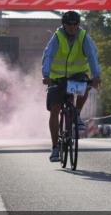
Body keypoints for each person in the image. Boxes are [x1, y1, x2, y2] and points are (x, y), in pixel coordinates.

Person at [42, 11, 102, 162]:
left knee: (85, 86)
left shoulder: (83, 37)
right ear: (64, 24)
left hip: (76, 75)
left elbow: (92, 57)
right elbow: (48, 55)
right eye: (69, 24)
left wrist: (96, 76)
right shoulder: (57, 37)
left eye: (76, 24)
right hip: (57, 78)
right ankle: (55, 147)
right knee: (55, 110)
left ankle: (76, 113)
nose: (72, 27)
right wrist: (46, 75)